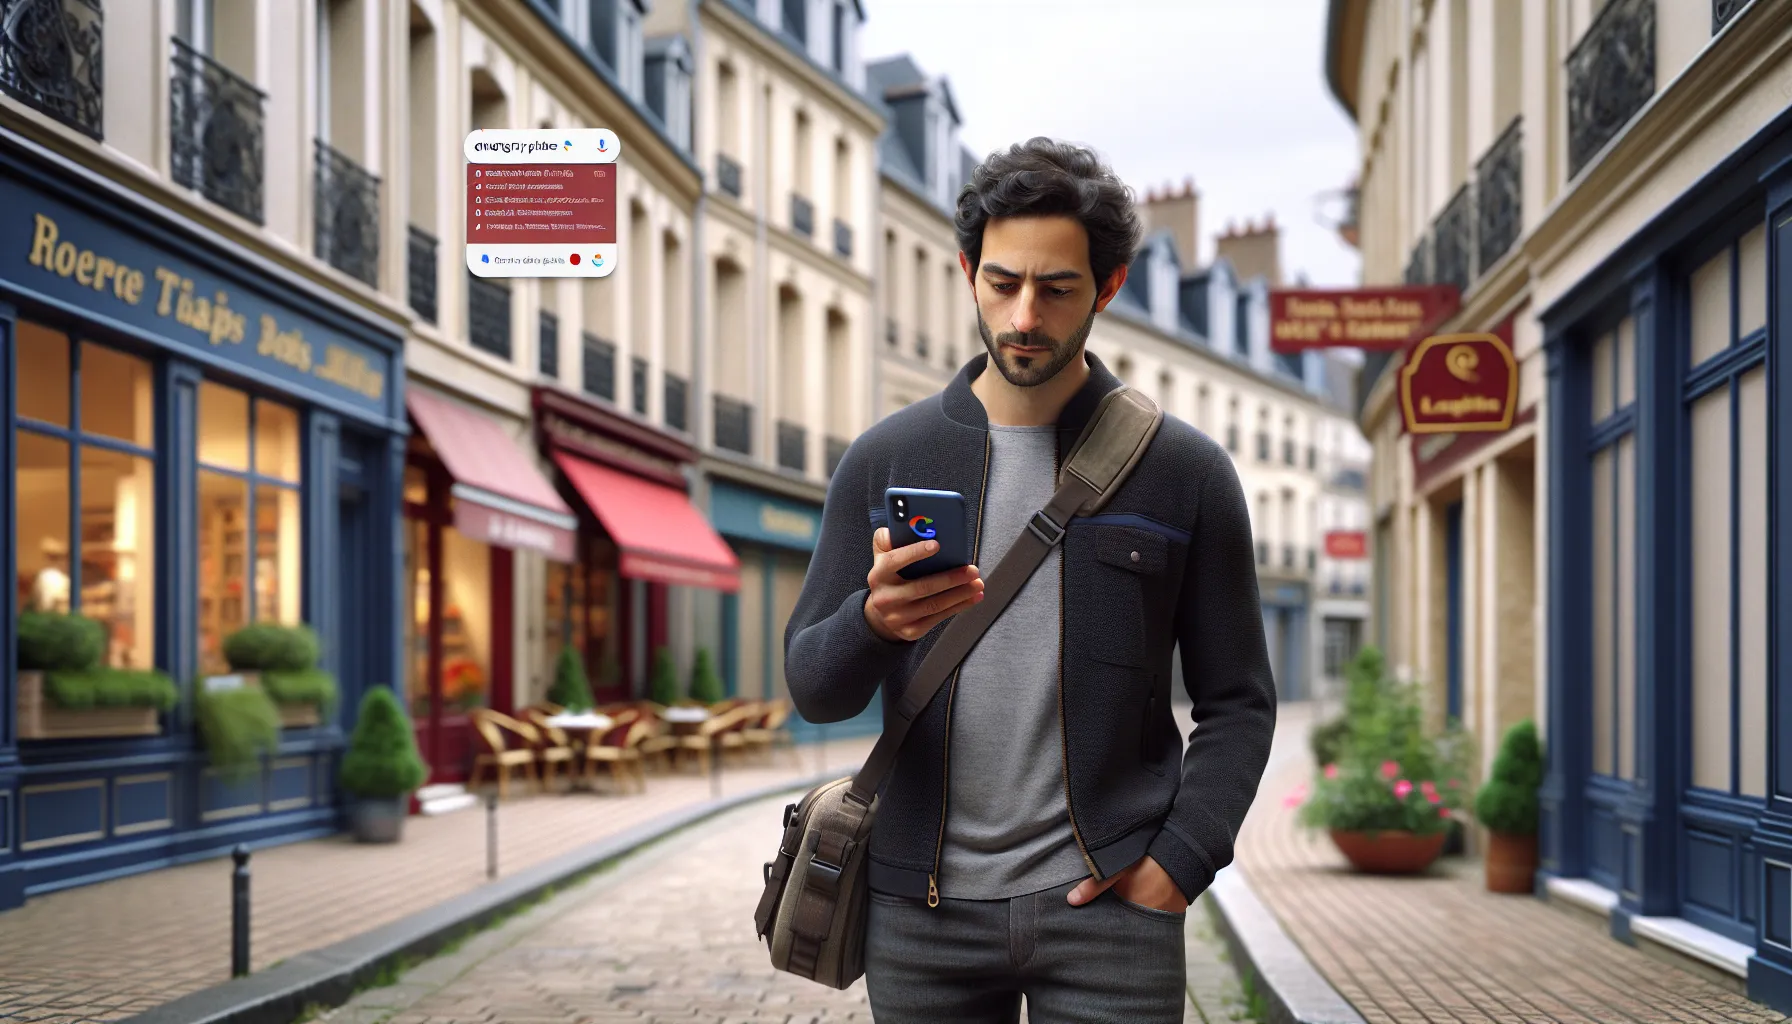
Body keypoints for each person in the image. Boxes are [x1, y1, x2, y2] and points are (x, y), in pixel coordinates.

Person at [783, 137, 1278, 1023]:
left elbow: (1238, 698)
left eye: (1057, 290)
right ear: (968, 269)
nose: (1023, 316)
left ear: (1110, 286)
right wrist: (874, 621)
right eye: (1002, 283)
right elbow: (813, 687)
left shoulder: (1187, 473)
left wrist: (1184, 857)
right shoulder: (884, 457)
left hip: (1113, 916)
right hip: (919, 916)